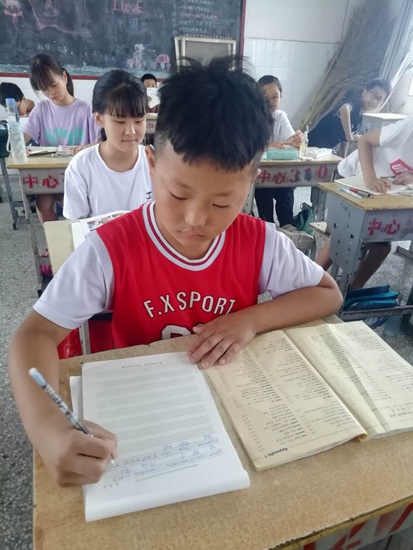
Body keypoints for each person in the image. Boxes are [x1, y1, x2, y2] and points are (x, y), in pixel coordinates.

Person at [8, 56, 342, 487]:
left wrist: (251, 319)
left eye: (222, 202)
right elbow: (32, 336)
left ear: (251, 182)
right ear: (151, 164)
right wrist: (48, 429)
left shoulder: (259, 242)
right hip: (145, 425)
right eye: (178, 194)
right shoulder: (112, 248)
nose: (196, 219)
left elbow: (327, 293)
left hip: (237, 421)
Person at [316, 117, 413, 289]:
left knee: (381, 249)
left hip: (387, 189)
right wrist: (370, 178)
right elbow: (364, 140)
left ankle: (353, 291)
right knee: (341, 240)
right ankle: (305, 283)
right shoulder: (408, 127)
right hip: (356, 175)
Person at [63, 70, 152, 220]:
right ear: (99, 119)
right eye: (120, 122)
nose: (131, 131)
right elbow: (75, 225)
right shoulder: (81, 166)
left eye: (138, 121)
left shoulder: (155, 162)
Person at [24, 53, 99, 224]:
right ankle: (51, 237)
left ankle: (75, 236)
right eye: (44, 89)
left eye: (53, 85)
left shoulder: (86, 109)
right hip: (50, 174)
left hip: (78, 174)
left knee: (71, 204)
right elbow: (24, 137)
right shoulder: (41, 109)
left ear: (64, 77)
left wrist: (85, 147)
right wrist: (20, 144)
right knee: (43, 202)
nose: (51, 93)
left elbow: (101, 143)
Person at [254, 75, 309, 248]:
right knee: (264, 186)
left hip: (278, 169)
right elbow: (245, 145)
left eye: (275, 97)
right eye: (265, 97)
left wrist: (297, 140)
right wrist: (266, 146)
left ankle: (287, 225)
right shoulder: (251, 117)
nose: (271, 102)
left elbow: (291, 143)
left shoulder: (280, 116)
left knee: (286, 180)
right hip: (258, 171)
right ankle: (268, 226)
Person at [308, 79, 391, 158]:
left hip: (324, 149)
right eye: (373, 95)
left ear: (381, 103)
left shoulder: (360, 119)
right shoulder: (355, 103)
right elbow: (345, 108)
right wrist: (350, 136)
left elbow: (345, 138)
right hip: (312, 144)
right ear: (364, 92)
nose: (374, 101)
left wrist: (343, 158)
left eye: (379, 99)